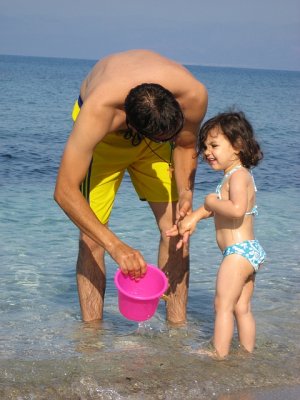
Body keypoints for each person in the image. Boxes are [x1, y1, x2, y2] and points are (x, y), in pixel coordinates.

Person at [54, 49, 208, 323]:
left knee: (178, 229)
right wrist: (116, 246)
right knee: (92, 237)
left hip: (156, 131)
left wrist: (186, 193)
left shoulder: (193, 96)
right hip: (105, 142)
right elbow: (64, 190)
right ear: (132, 127)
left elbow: (185, 145)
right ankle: (92, 340)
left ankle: (177, 333)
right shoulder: (100, 111)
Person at [166, 111, 266, 358]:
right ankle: (246, 353)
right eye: (205, 146)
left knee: (222, 306)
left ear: (238, 146)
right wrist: (192, 218)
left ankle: (218, 354)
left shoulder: (238, 176)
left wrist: (209, 203)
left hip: (237, 253)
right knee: (241, 307)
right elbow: (221, 206)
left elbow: (235, 209)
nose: (208, 152)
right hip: (248, 252)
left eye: (214, 145)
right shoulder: (233, 176)